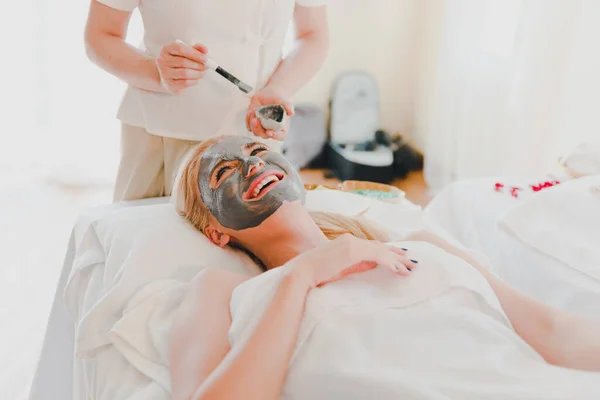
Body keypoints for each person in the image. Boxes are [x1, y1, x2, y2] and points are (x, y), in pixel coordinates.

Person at [168, 135, 600, 400]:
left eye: (259, 151)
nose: (254, 164)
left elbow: (552, 330)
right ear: (216, 233)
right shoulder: (222, 289)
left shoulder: (421, 245)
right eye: (225, 171)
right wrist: (301, 276)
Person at [84, 0, 329, 202]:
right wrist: (158, 74)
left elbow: (313, 34)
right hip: (161, 136)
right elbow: (100, 35)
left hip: (255, 139)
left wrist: (280, 88)